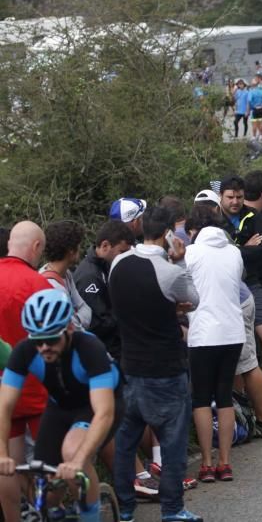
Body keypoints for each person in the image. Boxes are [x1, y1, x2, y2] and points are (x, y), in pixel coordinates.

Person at [108, 207, 202, 522]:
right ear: (167, 235)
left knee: (125, 443)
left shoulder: (119, 263)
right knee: (173, 443)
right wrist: (180, 259)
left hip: (130, 366)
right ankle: (173, 509)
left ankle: (125, 510)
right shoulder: (170, 271)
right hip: (165, 369)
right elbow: (193, 298)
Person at [0, 289, 122, 522]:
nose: (44, 346)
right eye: (38, 340)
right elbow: (4, 406)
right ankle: (54, 512)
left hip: (99, 405)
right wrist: (2, 453)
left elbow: (104, 412)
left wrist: (77, 460)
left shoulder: (89, 348)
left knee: (72, 451)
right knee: (44, 486)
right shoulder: (24, 351)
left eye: (52, 339)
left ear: (69, 329)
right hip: (60, 407)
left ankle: (90, 516)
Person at [183, 206, 245, 484]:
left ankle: (207, 464)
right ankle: (226, 462)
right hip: (233, 331)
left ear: (193, 230)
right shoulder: (234, 252)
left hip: (203, 333)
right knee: (224, 396)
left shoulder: (191, 253)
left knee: (201, 398)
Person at [218, 175, 262, 416]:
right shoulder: (214, 221)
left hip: (251, 283)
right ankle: (242, 401)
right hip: (224, 286)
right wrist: (243, 248)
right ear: (221, 197)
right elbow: (221, 256)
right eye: (230, 197)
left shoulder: (255, 216)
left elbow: (259, 252)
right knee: (235, 341)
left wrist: (240, 250)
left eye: (239, 196)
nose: (235, 201)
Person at [0, 222, 51, 521]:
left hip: (4, 390)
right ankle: (49, 510)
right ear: (35, 248)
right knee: (53, 461)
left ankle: (16, 516)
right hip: (37, 387)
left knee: (8, 461)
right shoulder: (37, 283)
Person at [74, 220, 134, 363]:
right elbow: (97, 322)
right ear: (105, 246)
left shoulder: (107, 266)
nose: (125, 256)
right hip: (104, 354)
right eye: (122, 252)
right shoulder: (89, 276)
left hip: (118, 348)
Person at [38, 220, 92, 329]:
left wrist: (75, 319)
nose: (80, 249)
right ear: (71, 250)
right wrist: (77, 321)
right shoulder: (49, 286)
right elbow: (70, 327)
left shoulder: (66, 274)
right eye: (78, 245)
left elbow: (85, 308)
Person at [248, 76, 262, 142]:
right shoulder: (261, 91)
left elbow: (249, 100)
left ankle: (254, 136)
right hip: (261, 107)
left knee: (254, 123)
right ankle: (261, 135)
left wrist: (252, 106)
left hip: (255, 108)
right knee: (261, 121)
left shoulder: (251, 92)